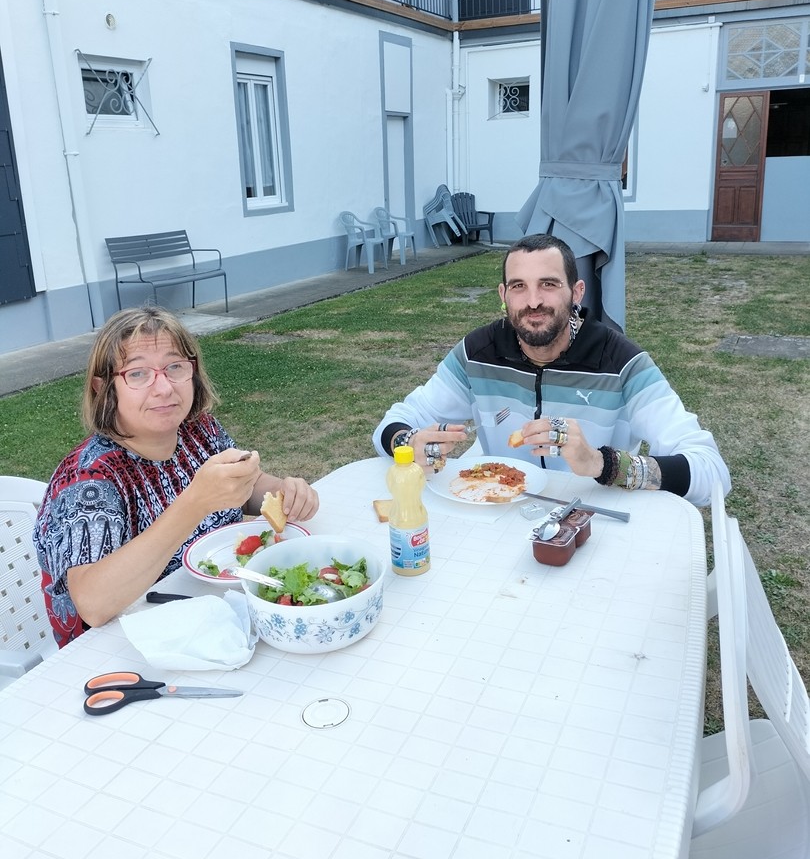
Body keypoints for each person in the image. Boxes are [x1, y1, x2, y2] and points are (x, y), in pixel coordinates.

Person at [373, 233, 730, 507]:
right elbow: (396, 421)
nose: (533, 302)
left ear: (577, 293)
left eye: (548, 284)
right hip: (497, 517)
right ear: (503, 294)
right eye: (518, 287)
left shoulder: (621, 362)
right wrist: (408, 443)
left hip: (596, 524)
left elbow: (712, 475)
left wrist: (601, 463)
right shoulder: (476, 353)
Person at [34, 305, 319, 647]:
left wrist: (283, 491)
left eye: (175, 367)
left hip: (217, 622)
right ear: (104, 388)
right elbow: (94, 606)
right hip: (125, 651)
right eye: (137, 374)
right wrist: (194, 503)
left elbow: (247, 488)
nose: (164, 388)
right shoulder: (89, 480)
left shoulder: (199, 431)